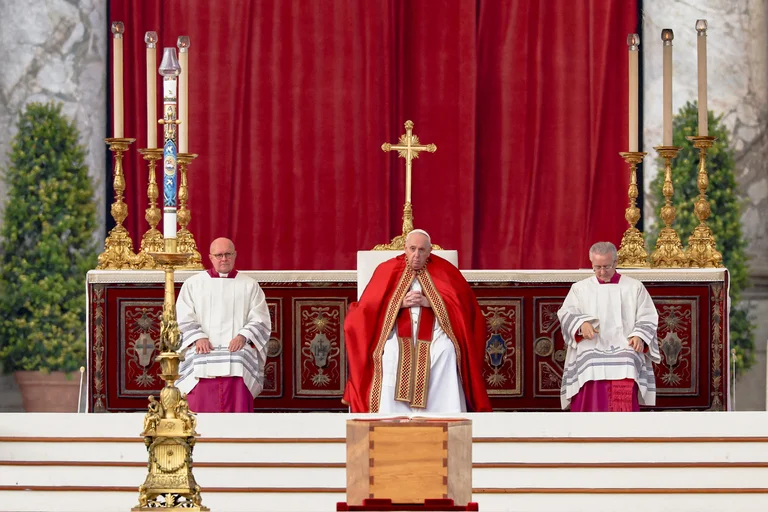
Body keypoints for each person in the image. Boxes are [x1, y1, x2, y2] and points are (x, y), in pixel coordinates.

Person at [343, 229, 492, 413]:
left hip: (437, 331)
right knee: (390, 353)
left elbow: (466, 310)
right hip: (395, 332)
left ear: (430, 251)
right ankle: (393, 416)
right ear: (405, 248)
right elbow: (366, 310)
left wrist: (432, 302)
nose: (416, 255)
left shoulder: (445, 270)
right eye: (412, 249)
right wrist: (398, 303)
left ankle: (443, 414)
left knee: (446, 351)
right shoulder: (387, 269)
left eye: (422, 250)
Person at [557, 241, 660, 411]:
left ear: (616, 263)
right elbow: (566, 313)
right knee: (589, 362)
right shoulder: (580, 288)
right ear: (591, 264)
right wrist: (581, 324)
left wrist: (639, 335)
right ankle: (588, 421)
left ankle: (623, 425)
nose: (602, 272)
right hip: (592, 344)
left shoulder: (634, 287)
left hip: (625, 344)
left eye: (607, 266)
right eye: (597, 267)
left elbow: (648, 315)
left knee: (627, 361)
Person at [175, 237, 271, 412]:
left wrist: (243, 336)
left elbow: (260, 318)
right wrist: (198, 338)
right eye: (219, 255)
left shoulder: (249, 285)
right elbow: (183, 316)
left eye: (228, 254)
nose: (224, 259)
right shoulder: (193, 284)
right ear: (210, 257)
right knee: (197, 361)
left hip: (237, 347)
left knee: (240, 360)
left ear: (235, 256)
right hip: (202, 346)